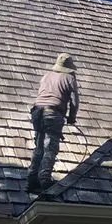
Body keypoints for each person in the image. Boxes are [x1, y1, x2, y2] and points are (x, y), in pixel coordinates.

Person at [26, 53, 80, 194]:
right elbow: (74, 102)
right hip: (53, 113)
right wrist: (71, 117)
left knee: (39, 145)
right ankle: (44, 179)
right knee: (50, 147)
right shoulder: (69, 77)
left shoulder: (46, 75)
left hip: (37, 111)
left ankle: (31, 179)